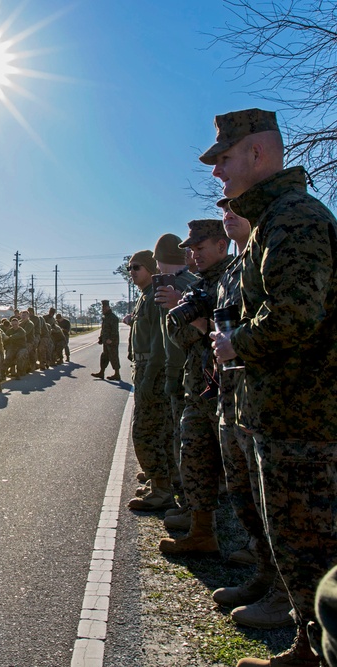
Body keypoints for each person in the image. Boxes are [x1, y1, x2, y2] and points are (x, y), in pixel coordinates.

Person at [204, 108, 337, 667]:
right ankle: (307, 648)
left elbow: (294, 315)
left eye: (225, 159)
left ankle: (316, 650)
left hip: (303, 421)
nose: (217, 173)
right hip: (279, 414)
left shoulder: (294, 219)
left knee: (311, 547)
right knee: (293, 542)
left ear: (258, 154)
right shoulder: (272, 220)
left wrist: (237, 345)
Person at [207, 199, 291, 630]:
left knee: (277, 505)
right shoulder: (234, 269)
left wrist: (237, 341)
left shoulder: (277, 244)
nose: (229, 212)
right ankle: (265, 576)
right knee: (246, 497)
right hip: (235, 397)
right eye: (224, 209)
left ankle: (287, 598)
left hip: (274, 401)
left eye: (237, 208)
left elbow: (290, 317)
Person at [159, 219, 232, 556]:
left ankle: (260, 555)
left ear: (222, 245)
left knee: (240, 473)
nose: (193, 255)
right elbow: (179, 336)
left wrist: (209, 325)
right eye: (190, 249)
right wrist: (197, 324)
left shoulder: (237, 279)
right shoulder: (197, 287)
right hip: (198, 388)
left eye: (200, 248)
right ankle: (202, 532)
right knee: (194, 459)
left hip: (232, 393)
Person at [124, 250, 176, 512]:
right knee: (158, 430)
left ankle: (162, 490)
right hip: (144, 367)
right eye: (130, 268)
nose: (131, 272)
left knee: (146, 432)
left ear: (151, 269)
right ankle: (161, 482)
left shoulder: (154, 297)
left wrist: (150, 378)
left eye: (137, 267)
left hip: (151, 370)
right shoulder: (144, 297)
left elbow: (159, 342)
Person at [151, 232, 198, 513]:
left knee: (185, 439)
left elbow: (175, 339)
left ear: (159, 260)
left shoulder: (180, 287)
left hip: (184, 372)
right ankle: (187, 500)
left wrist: (171, 373)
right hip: (184, 370)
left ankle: (188, 503)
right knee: (182, 436)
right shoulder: (182, 283)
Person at [91, 300, 121, 380]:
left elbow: (115, 330)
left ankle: (117, 374)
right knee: (104, 356)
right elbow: (104, 330)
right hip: (105, 341)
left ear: (108, 307)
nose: (102, 310)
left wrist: (111, 339)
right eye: (102, 308)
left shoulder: (113, 317)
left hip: (112, 341)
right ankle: (101, 372)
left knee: (113, 357)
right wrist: (101, 338)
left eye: (104, 308)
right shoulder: (105, 317)